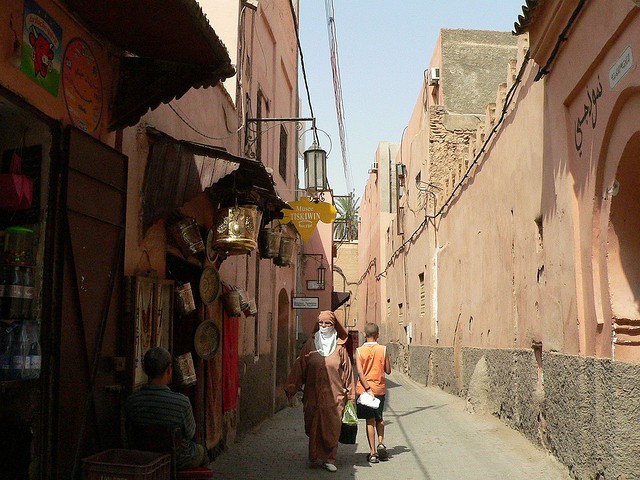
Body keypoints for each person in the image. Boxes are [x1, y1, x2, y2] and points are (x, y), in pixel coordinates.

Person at [284, 310, 356, 473]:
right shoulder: (310, 344)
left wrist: (351, 396)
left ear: (334, 326)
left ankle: (329, 458)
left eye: (328, 323)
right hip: (312, 396)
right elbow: (299, 366)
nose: (324, 326)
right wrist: (291, 387)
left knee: (332, 426)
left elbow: (348, 373)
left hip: (335, 397)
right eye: (321, 323)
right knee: (312, 425)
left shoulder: (340, 348)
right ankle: (314, 454)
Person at [125, 347, 209, 470]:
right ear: (169, 369)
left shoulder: (132, 401)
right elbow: (190, 434)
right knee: (202, 452)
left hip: (144, 457)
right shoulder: (182, 402)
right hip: (177, 459)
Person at [355, 322, 391, 463]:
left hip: (364, 391)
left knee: (369, 421)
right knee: (379, 418)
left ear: (364, 334)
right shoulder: (383, 349)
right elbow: (388, 370)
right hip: (379, 389)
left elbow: (360, 372)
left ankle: (373, 453)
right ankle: (381, 442)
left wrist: (367, 388)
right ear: (378, 335)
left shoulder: (359, 351)